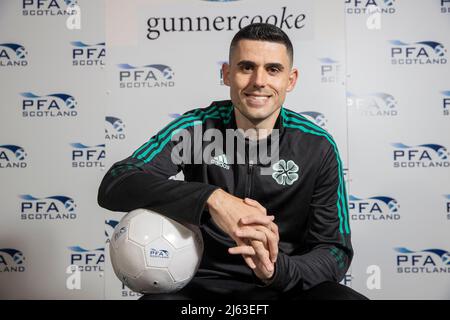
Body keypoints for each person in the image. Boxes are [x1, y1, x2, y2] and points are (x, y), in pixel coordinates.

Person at [98, 23, 367, 300]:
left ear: (291, 79)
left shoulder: (317, 146)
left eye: (273, 69)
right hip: (201, 289)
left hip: (284, 286)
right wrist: (212, 199)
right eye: (246, 67)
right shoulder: (196, 129)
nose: (259, 81)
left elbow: (335, 250)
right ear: (227, 74)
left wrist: (278, 270)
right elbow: (116, 182)